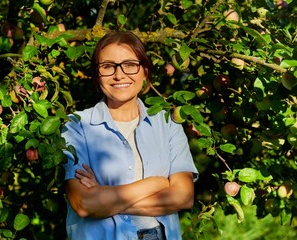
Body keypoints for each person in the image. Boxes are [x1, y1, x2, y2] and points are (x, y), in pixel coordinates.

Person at [61, 31, 198, 240]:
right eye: (108, 66)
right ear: (97, 75)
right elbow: (84, 204)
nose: (119, 75)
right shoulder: (77, 126)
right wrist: (156, 183)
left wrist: (105, 198)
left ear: (144, 71)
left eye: (130, 64)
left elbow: (184, 196)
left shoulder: (167, 124)